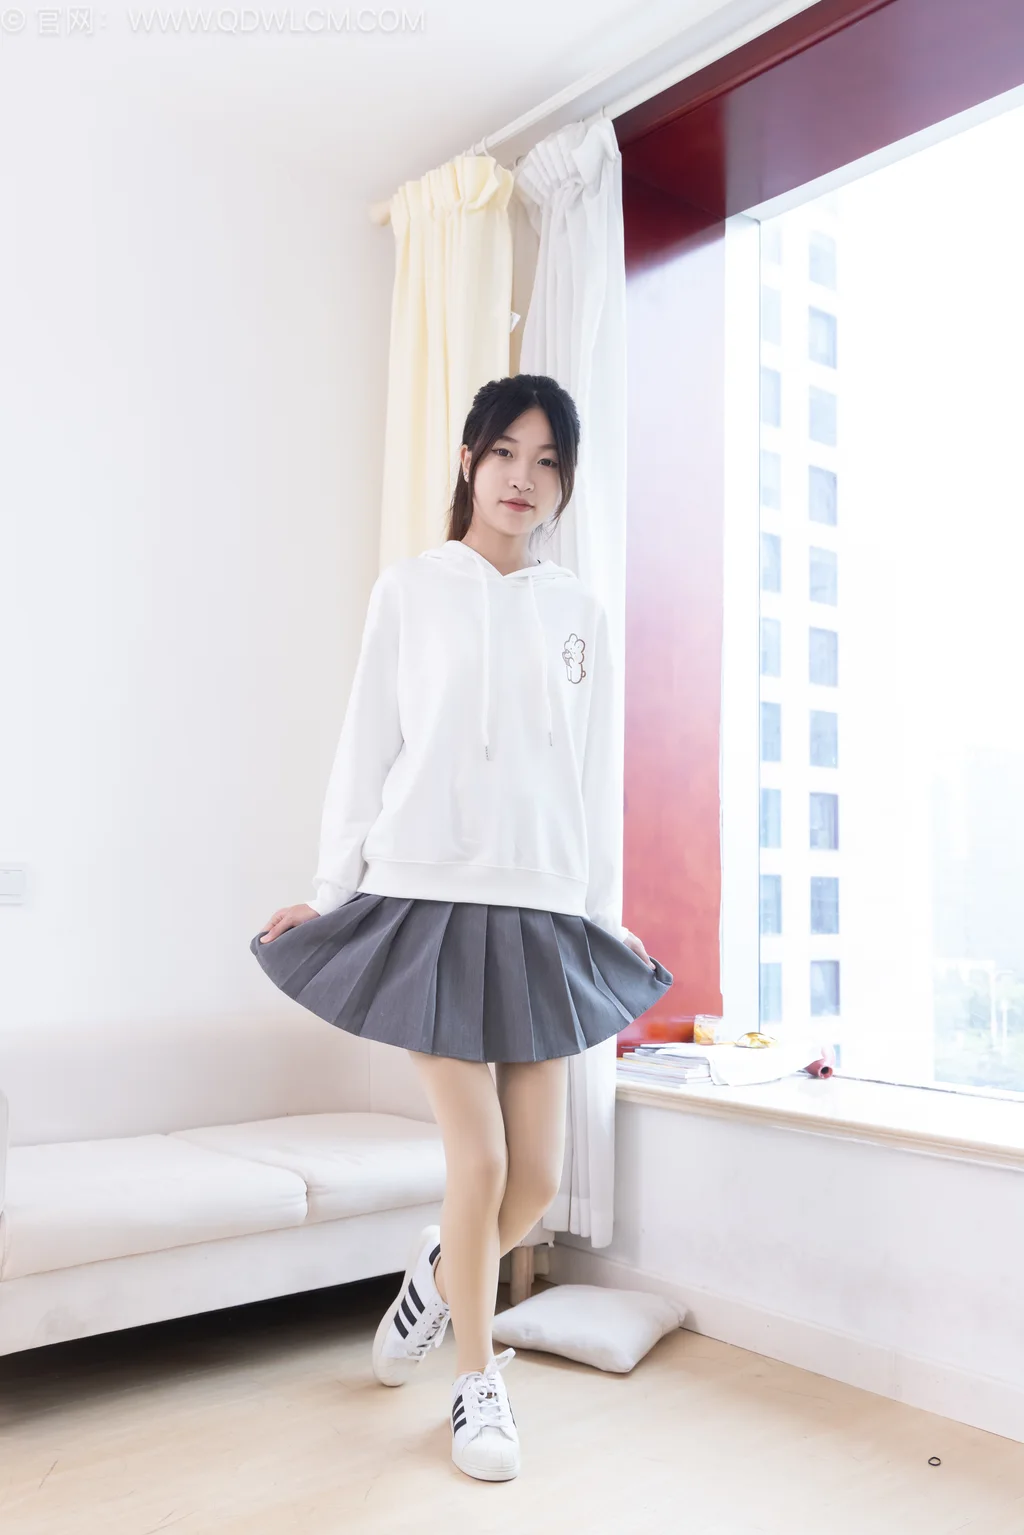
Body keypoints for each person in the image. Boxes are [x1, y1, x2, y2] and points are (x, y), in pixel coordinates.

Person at [251, 373, 673, 1483]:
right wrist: (330, 887)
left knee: (534, 1179)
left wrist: (604, 919)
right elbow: (366, 745)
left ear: (565, 482)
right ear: (469, 461)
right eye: (505, 453)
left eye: (547, 461)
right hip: (425, 901)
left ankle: (436, 1283)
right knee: (478, 1157)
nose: (523, 478)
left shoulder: (580, 613)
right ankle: (476, 1385)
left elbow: (594, 779)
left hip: (540, 910)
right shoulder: (411, 590)